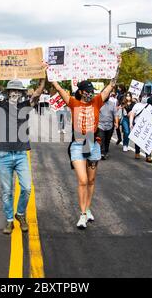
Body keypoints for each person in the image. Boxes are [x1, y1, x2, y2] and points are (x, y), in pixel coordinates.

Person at [0, 62, 47, 235]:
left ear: (22, 93)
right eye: (12, 91)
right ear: (8, 93)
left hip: (21, 155)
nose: (15, 93)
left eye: (18, 91)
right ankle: (10, 220)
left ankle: (20, 214)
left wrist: (42, 72)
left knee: (26, 188)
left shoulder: (25, 106)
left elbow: (38, 91)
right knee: (7, 191)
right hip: (4, 155)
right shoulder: (0, 106)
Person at [51, 73, 119, 230]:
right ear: (81, 91)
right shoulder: (73, 103)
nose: (91, 93)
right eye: (87, 90)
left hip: (93, 144)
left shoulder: (97, 102)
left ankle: (88, 209)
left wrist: (117, 67)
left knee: (91, 180)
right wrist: (51, 75)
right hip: (77, 145)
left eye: (92, 90)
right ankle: (82, 215)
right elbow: (59, 88)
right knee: (82, 180)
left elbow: (111, 85)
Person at [128, 99, 152, 163]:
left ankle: (148, 155)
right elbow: (132, 114)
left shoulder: (150, 106)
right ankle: (137, 152)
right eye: (143, 97)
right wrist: (131, 123)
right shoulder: (136, 105)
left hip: (147, 126)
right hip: (138, 125)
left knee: (147, 141)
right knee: (137, 140)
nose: (144, 98)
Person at [98, 93, 117, 160]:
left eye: (108, 95)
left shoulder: (112, 104)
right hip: (100, 125)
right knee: (101, 139)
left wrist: (116, 123)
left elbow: (115, 114)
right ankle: (102, 153)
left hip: (110, 125)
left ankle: (106, 151)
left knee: (107, 140)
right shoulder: (98, 103)